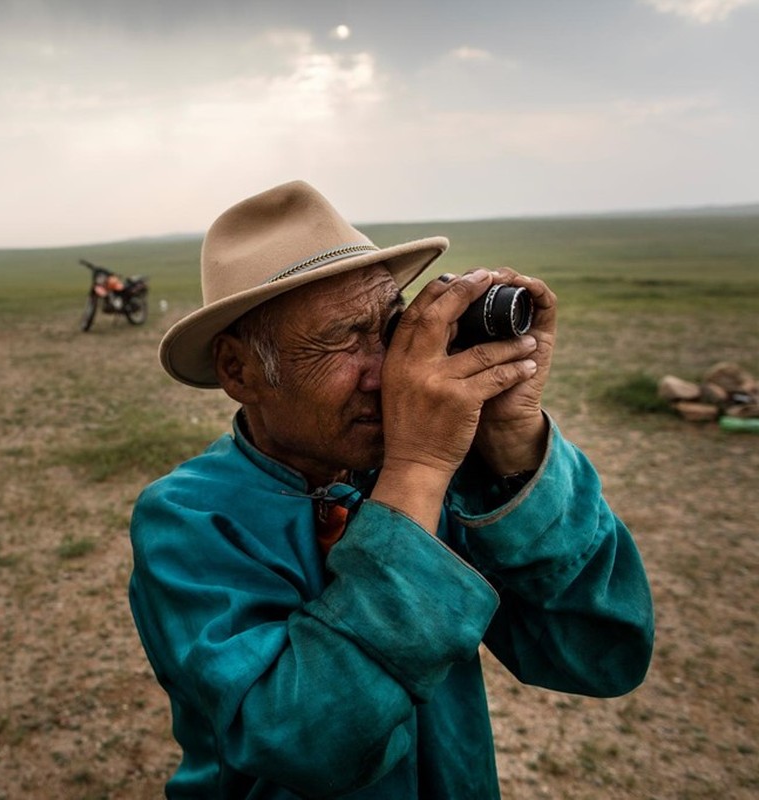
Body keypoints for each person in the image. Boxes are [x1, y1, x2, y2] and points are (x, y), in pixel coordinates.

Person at [128, 180, 654, 799]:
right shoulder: (189, 517)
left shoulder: (420, 474)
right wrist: (419, 471)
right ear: (240, 371)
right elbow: (304, 743)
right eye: (346, 339)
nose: (391, 373)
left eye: (391, 328)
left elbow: (599, 653)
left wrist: (512, 447)